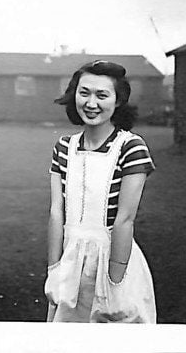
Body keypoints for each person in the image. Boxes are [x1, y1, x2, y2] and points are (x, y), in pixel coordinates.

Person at [44, 60, 157, 323]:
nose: (91, 103)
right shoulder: (63, 147)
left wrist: (114, 284)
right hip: (70, 262)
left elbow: (125, 219)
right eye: (84, 93)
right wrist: (54, 269)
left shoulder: (131, 148)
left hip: (113, 259)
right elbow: (55, 213)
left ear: (118, 101)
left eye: (102, 95)